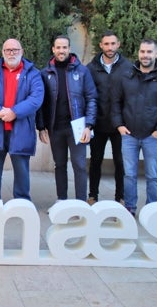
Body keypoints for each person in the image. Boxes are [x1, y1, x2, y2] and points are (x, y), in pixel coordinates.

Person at [111, 38, 157, 216]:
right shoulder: (126, 75)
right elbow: (116, 102)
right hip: (129, 135)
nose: (145, 55)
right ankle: (130, 208)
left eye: (149, 52)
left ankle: (152, 210)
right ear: (138, 53)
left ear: (156, 54)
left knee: (152, 176)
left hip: (152, 136)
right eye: (142, 52)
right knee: (129, 175)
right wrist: (119, 125)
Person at [0, 39, 44, 214]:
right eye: (7, 50)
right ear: (2, 51)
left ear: (22, 51)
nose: (11, 53)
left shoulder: (33, 73)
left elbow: (36, 98)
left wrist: (14, 112)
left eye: (15, 50)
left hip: (20, 129)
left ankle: (22, 203)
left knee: (21, 170)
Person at [37, 35, 97, 203]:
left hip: (77, 127)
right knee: (60, 165)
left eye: (64, 47)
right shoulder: (45, 72)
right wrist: (41, 127)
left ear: (69, 49)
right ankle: (61, 200)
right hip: (56, 127)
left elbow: (92, 98)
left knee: (79, 165)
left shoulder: (82, 71)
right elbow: (41, 103)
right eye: (58, 47)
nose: (61, 51)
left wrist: (89, 125)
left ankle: (80, 202)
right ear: (53, 49)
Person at [86, 30, 132, 205]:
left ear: (118, 44)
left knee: (120, 163)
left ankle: (120, 197)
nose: (110, 47)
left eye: (113, 44)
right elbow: (87, 95)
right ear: (101, 46)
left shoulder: (128, 68)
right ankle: (92, 196)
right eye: (106, 44)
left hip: (120, 125)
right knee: (95, 161)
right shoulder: (91, 68)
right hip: (98, 123)